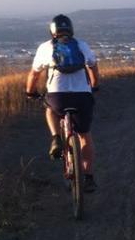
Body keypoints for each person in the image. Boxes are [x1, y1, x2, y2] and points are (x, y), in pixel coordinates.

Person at [25, 14, 100, 192]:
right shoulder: (82, 45)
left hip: (57, 96)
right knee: (84, 135)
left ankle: (56, 138)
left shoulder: (46, 48)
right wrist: (95, 86)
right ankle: (88, 177)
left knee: (50, 109)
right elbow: (93, 67)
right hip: (82, 96)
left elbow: (34, 75)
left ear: (52, 31)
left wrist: (30, 92)